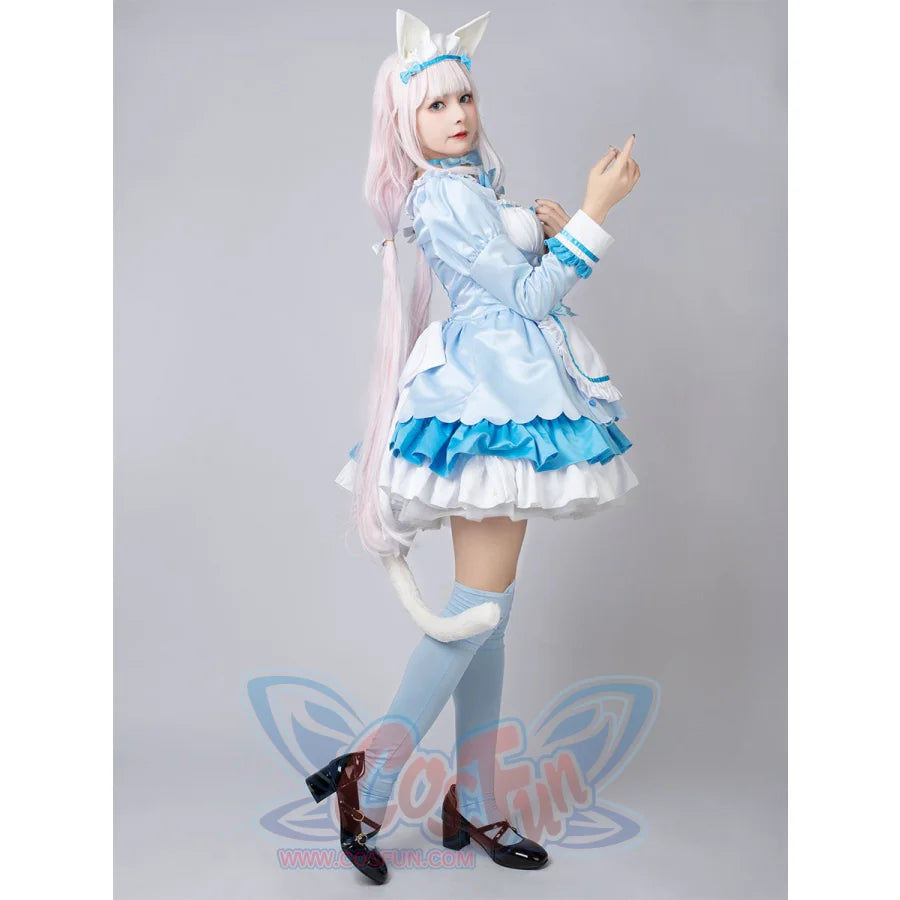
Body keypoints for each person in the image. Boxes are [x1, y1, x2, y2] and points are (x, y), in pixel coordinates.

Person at [306, 8, 641, 885]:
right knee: (480, 611)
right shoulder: (443, 193)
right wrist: (595, 215)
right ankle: (370, 775)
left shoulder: (468, 187)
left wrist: (539, 224)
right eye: (435, 104)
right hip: (489, 401)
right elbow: (527, 300)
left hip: (499, 394)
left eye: (465, 97)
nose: (457, 114)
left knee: (489, 615)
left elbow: (505, 268)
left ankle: (475, 798)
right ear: (405, 122)